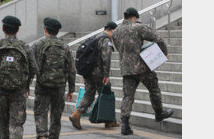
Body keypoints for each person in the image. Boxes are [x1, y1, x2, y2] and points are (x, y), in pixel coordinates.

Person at [112, 7, 174, 135]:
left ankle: (125, 124)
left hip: (126, 69)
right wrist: (164, 53)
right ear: (134, 17)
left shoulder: (116, 31)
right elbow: (159, 39)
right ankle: (159, 113)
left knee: (128, 96)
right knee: (154, 88)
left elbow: (119, 48)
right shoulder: (138, 27)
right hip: (142, 67)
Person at [0, 15, 37, 139]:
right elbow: (34, 68)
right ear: (17, 30)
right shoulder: (24, 47)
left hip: (0, 90)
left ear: (3, 28)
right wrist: (26, 84)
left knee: (3, 122)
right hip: (19, 91)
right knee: (16, 124)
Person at [69, 21, 120, 129]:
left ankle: (76, 115)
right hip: (99, 73)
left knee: (89, 94)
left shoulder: (95, 37)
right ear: (112, 30)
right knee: (107, 94)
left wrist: (85, 73)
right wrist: (106, 75)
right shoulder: (105, 40)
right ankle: (109, 121)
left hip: (88, 72)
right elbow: (106, 59)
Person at [31, 18, 76, 139]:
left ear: (45, 29)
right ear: (58, 31)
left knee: (41, 113)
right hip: (59, 87)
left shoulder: (38, 45)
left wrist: (26, 86)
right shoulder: (65, 47)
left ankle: (42, 135)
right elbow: (72, 70)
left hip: (42, 86)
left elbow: (30, 67)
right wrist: (71, 89)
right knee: (56, 117)